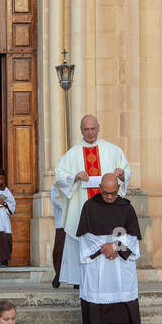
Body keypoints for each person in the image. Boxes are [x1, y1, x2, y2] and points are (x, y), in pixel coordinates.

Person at [53, 115, 131, 288]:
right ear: (81, 130)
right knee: (81, 238)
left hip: (108, 208)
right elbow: (59, 177)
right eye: (86, 129)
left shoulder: (113, 150)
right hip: (82, 207)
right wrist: (75, 176)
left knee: (109, 235)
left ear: (99, 127)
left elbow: (126, 172)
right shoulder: (72, 153)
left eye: (93, 128)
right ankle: (80, 281)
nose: (90, 133)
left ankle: (108, 277)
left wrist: (122, 174)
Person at [76, 173, 142, 324]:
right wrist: (105, 247)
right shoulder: (89, 206)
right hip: (98, 259)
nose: (110, 196)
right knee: (100, 288)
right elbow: (84, 235)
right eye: (106, 193)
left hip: (119, 260)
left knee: (119, 287)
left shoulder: (126, 208)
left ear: (118, 189)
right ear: (100, 189)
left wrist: (115, 246)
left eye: (113, 193)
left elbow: (134, 235)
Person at [49, 184, 67, 288]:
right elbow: (59, 202)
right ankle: (59, 274)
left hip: (76, 224)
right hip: (62, 224)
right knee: (59, 251)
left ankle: (77, 280)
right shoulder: (55, 188)